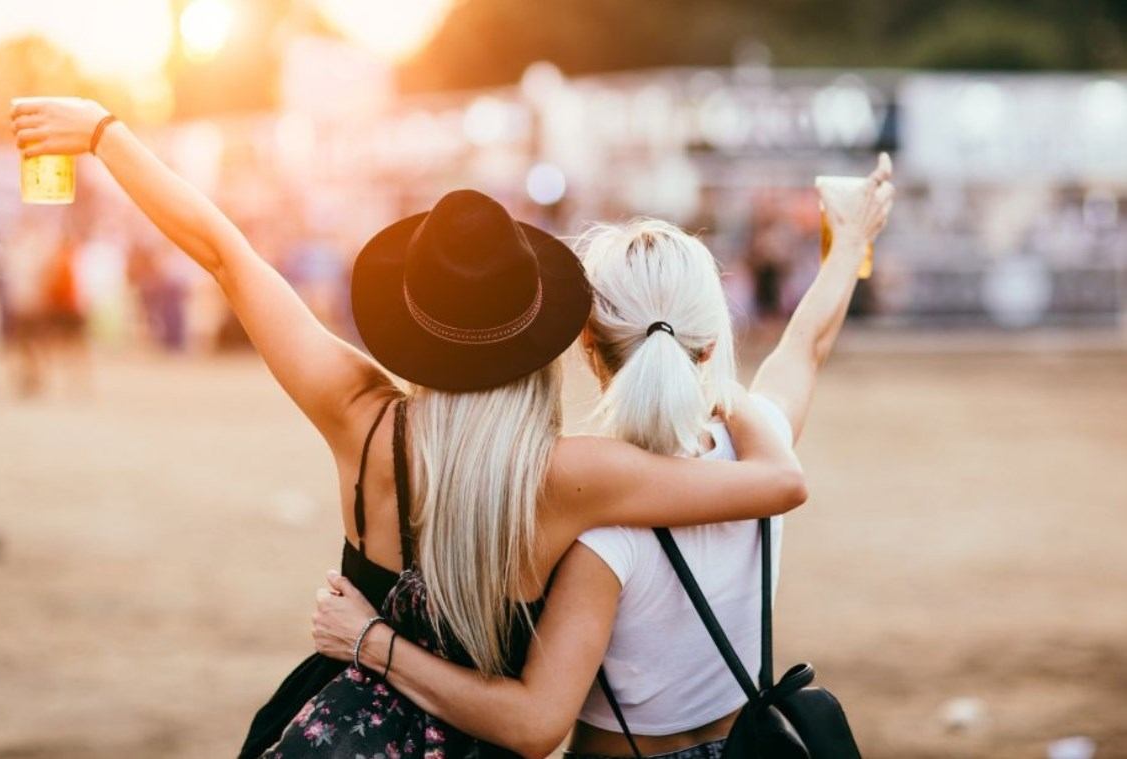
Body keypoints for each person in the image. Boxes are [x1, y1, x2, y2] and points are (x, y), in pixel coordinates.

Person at [10, 99, 807, 758]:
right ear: (542, 337)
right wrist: (724, 386)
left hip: (335, 730)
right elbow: (777, 483)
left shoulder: (359, 415)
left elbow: (224, 253)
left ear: (412, 325)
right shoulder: (574, 474)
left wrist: (104, 135)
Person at [310, 157, 895, 758]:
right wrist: (851, 239)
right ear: (712, 340)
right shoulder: (755, 448)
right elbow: (806, 346)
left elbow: (535, 720)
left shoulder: (598, 523)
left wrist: (370, 639)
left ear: (586, 342)